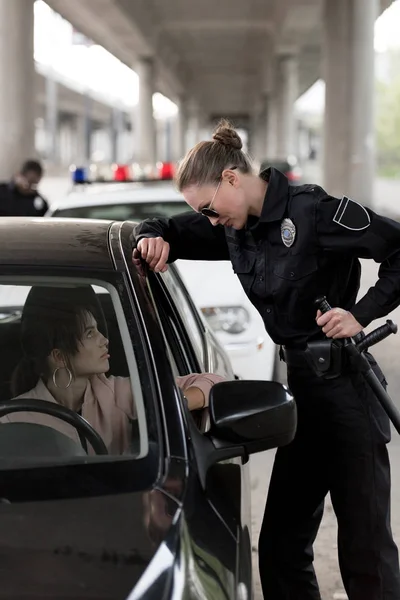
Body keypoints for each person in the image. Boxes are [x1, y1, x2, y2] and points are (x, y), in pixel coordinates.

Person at [132, 119, 400, 600]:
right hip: (301, 396)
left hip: (347, 392)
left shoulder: (315, 211)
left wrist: (360, 314)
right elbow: (170, 228)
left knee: (366, 551)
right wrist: (153, 235)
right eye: (205, 215)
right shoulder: (235, 226)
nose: (210, 222)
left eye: (210, 209)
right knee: (280, 547)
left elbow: (399, 246)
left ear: (232, 177)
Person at [3, 286, 224, 455]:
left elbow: (214, 381)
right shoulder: (13, 419)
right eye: (90, 334)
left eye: (98, 329)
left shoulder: (117, 393)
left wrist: (176, 403)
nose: (105, 340)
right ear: (59, 356)